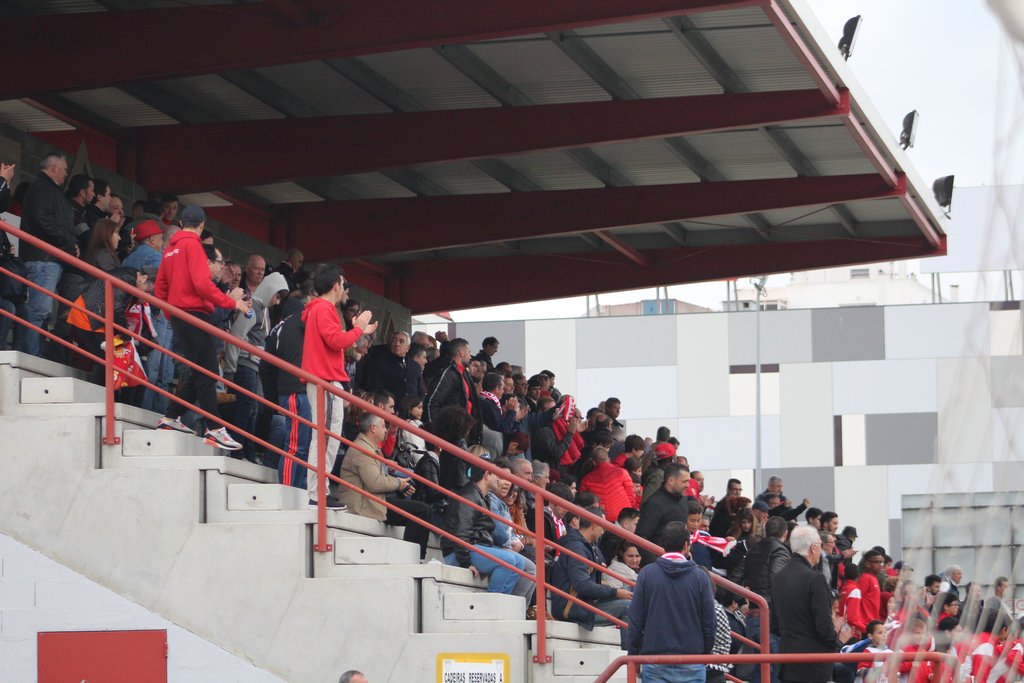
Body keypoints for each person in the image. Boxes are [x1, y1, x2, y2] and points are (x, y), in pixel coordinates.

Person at [153, 207, 250, 449]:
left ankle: (171, 417)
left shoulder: (170, 249)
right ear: (202, 225)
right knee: (207, 372)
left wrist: (171, 314)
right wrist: (231, 302)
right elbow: (202, 284)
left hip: (180, 316)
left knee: (202, 372)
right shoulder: (193, 246)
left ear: (181, 222)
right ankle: (214, 429)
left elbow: (160, 286)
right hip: (194, 315)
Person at [301, 264, 377, 508]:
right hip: (324, 380)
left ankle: (318, 492)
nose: (345, 290)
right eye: (343, 285)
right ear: (336, 286)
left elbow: (335, 343)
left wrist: (358, 330)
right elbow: (337, 341)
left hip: (325, 379)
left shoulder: (319, 308)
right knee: (326, 438)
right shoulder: (324, 307)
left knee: (326, 438)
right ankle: (317, 494)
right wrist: (359, 328)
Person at [441, 451, 536, 606]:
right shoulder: (468, 496)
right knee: (508, 561)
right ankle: (490, 607)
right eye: (496, 475)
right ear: (486, 474)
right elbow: (461, 535)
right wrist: (465, 563)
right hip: (460, 552)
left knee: (519, 562)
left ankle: (502, 606)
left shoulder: (482, 497)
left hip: (476, 547)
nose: (499, 479)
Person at [627, 521, 716, 683]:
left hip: (655, 659)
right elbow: (709, 622)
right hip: (692, 659)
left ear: (663, 544)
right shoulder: (700, 577)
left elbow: (635, 620)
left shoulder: (646, 574)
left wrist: (633, 654)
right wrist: (705, 653)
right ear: (686, 545)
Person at [338, 413, 432, 558]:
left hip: (372, 501)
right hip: (364, 504)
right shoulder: (362, 449)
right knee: (421, 511)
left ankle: (415, 556)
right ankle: (412, 557)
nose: (386, 430)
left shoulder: (368, 447)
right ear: (373, 428)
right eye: (383, 426)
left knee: (422, 510)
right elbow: (375, 483)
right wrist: (399, 483)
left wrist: (401, 485)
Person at [17, 153, 74, 357]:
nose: (66, 174)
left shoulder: (45, 189)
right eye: (64, 169)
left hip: (46, 258)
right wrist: (67, 241)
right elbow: (43, 219)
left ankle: (35, 353)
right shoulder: (43, 188)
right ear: (53, 168)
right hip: (43, 258)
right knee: (38, 310)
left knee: (40, 311)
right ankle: (31, 355)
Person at [551, 505, 632, 645]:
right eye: (602, 526)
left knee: (633, 591)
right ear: (594, 525)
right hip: (573, 607)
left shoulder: (589, 546)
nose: (604, 530)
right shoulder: (577, 547)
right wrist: (615, 592)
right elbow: (582, 585)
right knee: (629, 607)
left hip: (586, 601)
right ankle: (630, 655)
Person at [770, 525, 838, 683]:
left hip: (787, 659)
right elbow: (824, 625)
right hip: (814, 661)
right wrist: (835, 642)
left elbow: (774, 625)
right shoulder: (815, 579)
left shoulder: (778, 578)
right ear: (813, 548)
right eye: (820, 545)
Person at [636, 463, 691, 566]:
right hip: (660, 564)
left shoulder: (683, 500)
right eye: (684, 481)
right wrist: (658, 563)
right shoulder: (653, 504)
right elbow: (640, 537)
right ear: (671, 480)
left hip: (680, 562)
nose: (688, 485)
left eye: (688, 481)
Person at [579, 446, 636, 522]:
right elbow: (631, 494)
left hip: (601, 520)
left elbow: (583, 501)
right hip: (623, 518)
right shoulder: (622, 472)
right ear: (608, 459)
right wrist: (628, 511)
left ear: (593, 462)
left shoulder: (586, 479)